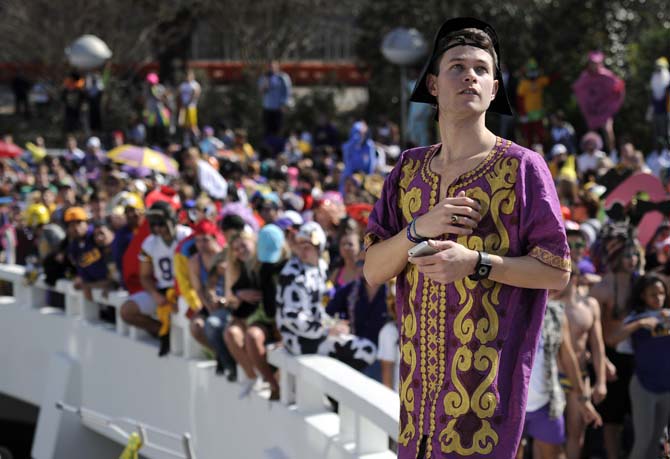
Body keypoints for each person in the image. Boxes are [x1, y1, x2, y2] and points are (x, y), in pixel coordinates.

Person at [363, 18, 571, 459]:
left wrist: (476, 262)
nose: (470, 75)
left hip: (485, 412)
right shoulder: (408, 170)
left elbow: (557, 272)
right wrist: (420, 226)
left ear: (494, 89)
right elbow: (374, 269)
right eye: (457, 66)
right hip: (415, 410)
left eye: (481, 68)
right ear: (433, 86)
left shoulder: (522, 167)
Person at [517, 290, 602, 459]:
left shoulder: (556, 314)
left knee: (553, 455)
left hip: (546, 404)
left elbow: (567, 357)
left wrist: (583, 399)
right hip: (510, 404)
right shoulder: (507, 312)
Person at [606, 274, 670, 459]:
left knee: (657, 442)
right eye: (652, 294)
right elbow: (612, 339)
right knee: (643, 441)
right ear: (642, 295)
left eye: (661, 293)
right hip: (644, 387)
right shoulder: (636, 318)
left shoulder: (667, 315)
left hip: (666, 388)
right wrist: (640, 323)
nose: (658, 298)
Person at [120, 201, 191, 336]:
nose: (158, 228)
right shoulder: (149, 243)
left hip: (186, 289)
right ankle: (165, 333)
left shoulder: (186, 237)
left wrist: (181, 294)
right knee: (127, 311)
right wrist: (155, 294)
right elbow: (144, 275)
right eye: (154, 224)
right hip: (163, 290)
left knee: (184, 309)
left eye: (161, 223)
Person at [258, 61, 292, 138]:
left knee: (278, 130)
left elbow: (287, 91)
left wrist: (284, 104)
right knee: (267, 130)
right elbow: (261, 91)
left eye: (272, 67)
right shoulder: (263, 78)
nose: (271, 69)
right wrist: (266, 80)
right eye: (269, 67)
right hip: (267, 108)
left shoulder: (282, 77)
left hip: (278, 108)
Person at [650, 57, 670, 150]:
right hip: (656, 111)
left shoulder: (666, 77)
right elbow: (654, 94)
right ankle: (658, 152)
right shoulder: (655, 77)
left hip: (665, 111)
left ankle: (666, 151)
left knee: (665, 133)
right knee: (656, 134)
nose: (658, 69)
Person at [177, 69, 202, 141]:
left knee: (193, 125)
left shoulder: (195, 84)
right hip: (184, 107)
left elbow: (197, 93)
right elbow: (179, 95)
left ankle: (198, 139)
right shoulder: (183, 85)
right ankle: (187, 141)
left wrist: (189, 101)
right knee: (185, 126)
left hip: (191, 107)